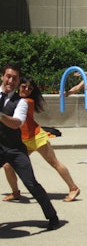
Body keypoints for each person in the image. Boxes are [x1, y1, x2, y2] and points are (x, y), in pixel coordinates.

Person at [0, 64, 59, 230]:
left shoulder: (21, 103)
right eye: (8, 76)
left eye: (15, 78)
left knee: (31, 183)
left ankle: (52, 217)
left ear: (18, 81)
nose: (10, 80)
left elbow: (16, 123)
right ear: (2, 77)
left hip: (14, 149)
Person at [2, 77, 80, 202]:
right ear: (18, 86)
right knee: (8, 166)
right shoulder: (14, 99)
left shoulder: (27, 102)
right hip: (23, 140)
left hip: (37, 137)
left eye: (30, 88)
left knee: (54, 162)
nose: (26, 90)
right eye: (24, 86)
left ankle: (73, 188)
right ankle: (15, 192)